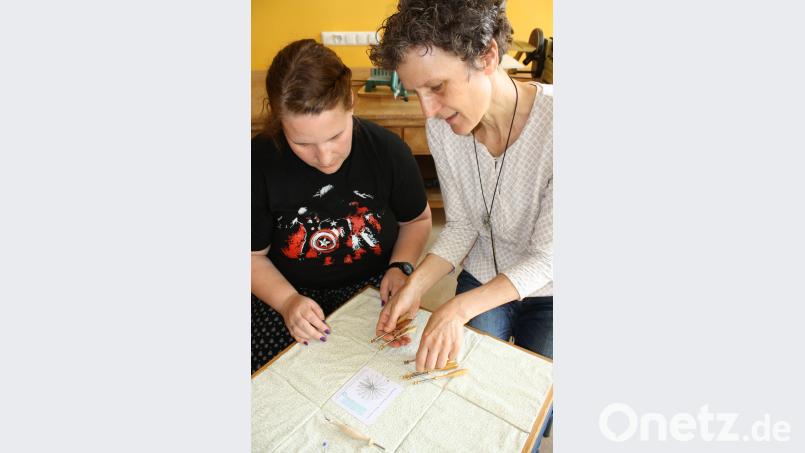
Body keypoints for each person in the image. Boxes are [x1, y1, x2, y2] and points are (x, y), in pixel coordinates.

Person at [369, 0, 553, 372]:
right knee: (460, 381)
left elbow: (549, 259)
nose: (427, 111)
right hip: (484, 269)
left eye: (436, 86)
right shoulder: (443, 127)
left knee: (534, 399)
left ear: (487, 57)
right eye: (416, 92)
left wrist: (456, 308)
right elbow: (464, 224)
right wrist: (415, 287)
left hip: (552, 289)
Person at [252, 39, 432, 374]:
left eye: (335, 136)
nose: (325, 156)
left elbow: (418, 220)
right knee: (282, 378)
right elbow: (250, 257)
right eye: (302, 143)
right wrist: (287, 301)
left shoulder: (389, 152)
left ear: (351, 102)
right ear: (279, 120)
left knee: (393, 368)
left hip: (375, 285)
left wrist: (402, 267)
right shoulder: (257, 163)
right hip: (288, 290)